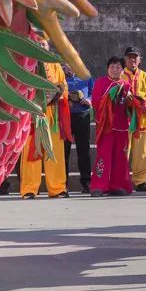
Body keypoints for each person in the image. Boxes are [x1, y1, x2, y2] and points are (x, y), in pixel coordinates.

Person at [19, 40, 69, 199]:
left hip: (52, 114)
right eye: (38, 45)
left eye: (44, 45)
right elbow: (19, 87)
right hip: (32, 114)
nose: (41, 48)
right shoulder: (25, 65)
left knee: (54, 150)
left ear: (48, 48)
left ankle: (57, 187)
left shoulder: (55, 65)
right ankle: (29, 189)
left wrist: (56, 95)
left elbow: (64, 87)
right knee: (31, 152)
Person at [90, 56, 134, 197]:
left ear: (122, 70)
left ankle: (118, 185)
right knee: (103, 156)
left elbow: (130, 108)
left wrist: (130, 101)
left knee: (120, 157)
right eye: (112, 67)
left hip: (121, 127)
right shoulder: (100, 83)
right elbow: (96, 103)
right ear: (107, 69)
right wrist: (109, 97)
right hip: (106, 126)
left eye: (118, 67)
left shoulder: (126, 85)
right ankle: (98, 186)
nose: (115, 70)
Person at [122, 46, 146, 192]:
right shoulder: (120, 75)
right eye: (129, 57)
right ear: (125, 59)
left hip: (142, 119)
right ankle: (121, 180)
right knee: (124, 151)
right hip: (125, 120)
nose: (132, 59)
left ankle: (140, 181)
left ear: (140, 59)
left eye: (135, 57)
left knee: (141, 153)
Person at [63, 64, 93, 194]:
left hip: (83, 114)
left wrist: (88, 100)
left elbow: (94, 92)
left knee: (83, 149)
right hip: (66, 116)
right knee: (64, 150)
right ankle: (62, 183)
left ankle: (86, 182)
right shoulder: (60, 76)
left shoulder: (86, 76)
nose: (70, 66)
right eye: (67, 63)